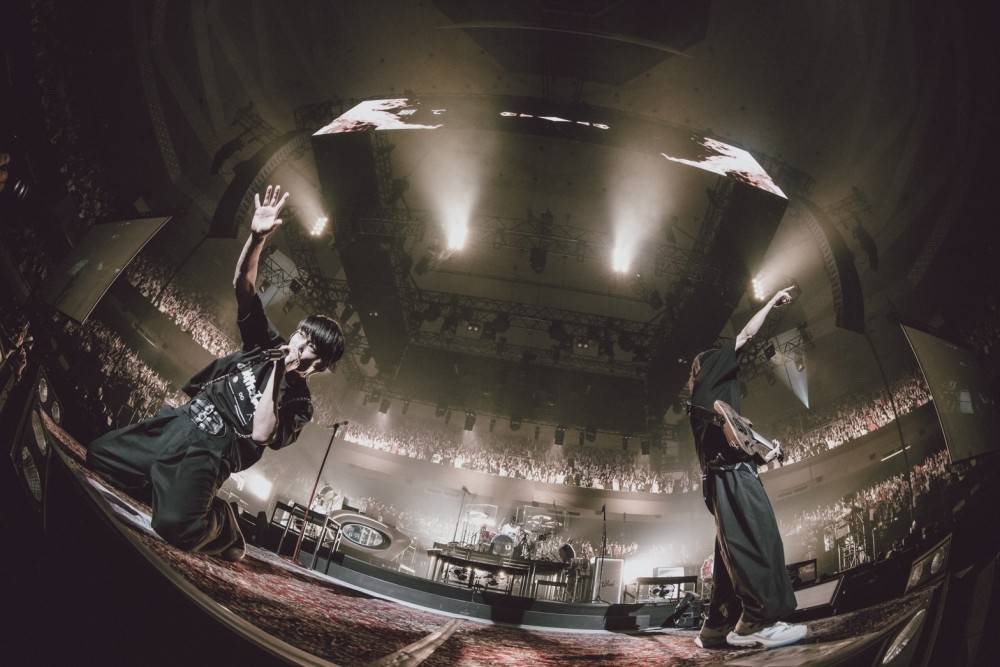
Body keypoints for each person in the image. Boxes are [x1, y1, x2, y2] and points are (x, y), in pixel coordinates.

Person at [87, 185, 345, 561]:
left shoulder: (300, 402)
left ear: (319, 364)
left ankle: (224, 525)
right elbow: (244, 285)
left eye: (308, 347)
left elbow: (261, 433)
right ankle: (166, 487)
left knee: (176, 527)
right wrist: (257, 237)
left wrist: (278, 368)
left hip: (212, 451)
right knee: (100, 457)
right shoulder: (266, 342)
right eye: (300, 335)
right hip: (183, 422)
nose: (297, 345)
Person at [688, 286, 807, 649]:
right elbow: (746, 335)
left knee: (732, 550)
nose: (734, 363)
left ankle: (715, 626)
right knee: (758, 541)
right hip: (731, 478)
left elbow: (739, 437)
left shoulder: (711, 401)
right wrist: (771, 302)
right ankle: (756, 622)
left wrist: (767, 453)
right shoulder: (710, 375)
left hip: (725, 478)